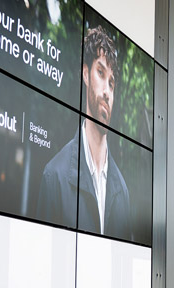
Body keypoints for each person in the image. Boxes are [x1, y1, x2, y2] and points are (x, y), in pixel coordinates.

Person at [40, 25, 132, 240]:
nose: (107, 91)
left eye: (111, 82)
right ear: (85, 74)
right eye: (100, 72)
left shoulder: (122, 190)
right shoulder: (54, 176)